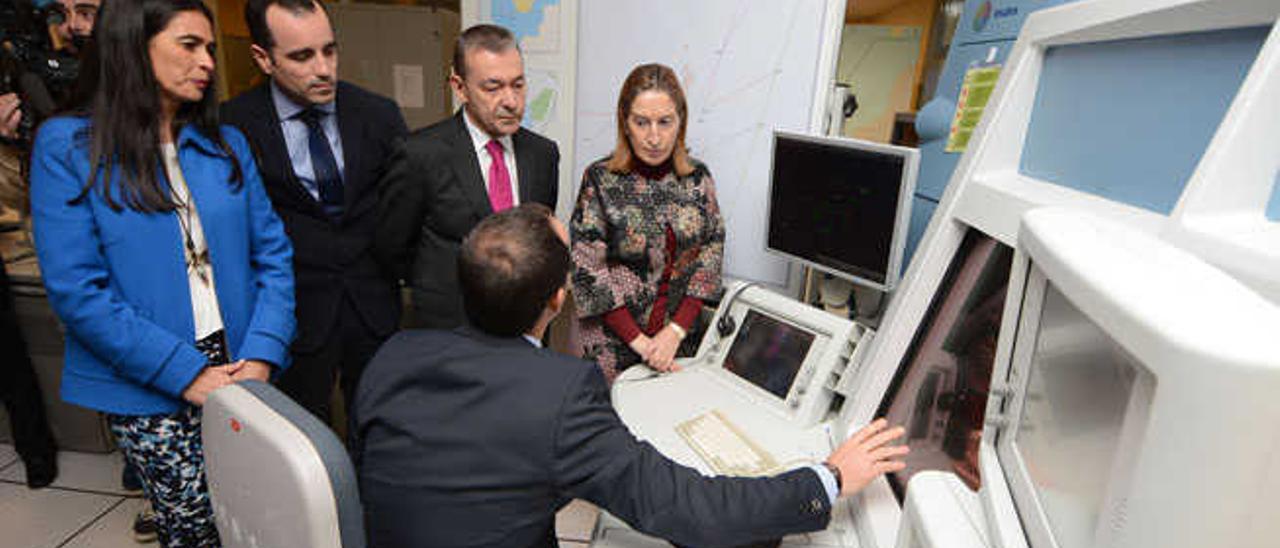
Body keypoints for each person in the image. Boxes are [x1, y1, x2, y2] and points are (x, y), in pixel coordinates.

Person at [354, 204, 909, 548]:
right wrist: (828, 479)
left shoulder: (393, 357)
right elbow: (690, 509)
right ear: (556, 300)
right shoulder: (561, 394)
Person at [28, 0, 295, 544]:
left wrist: (264, 352)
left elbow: (274, 256)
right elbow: (78, 292)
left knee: (260, 519)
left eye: (211, 50)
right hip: (150, 379)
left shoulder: (226, 144)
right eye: (189, 45)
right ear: (133, 45)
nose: (207, 63)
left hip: (242, 366)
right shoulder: (68, 146)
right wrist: (186, 374)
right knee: (198, 528)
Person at [221, 0, 408, 428]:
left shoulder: (378, 115)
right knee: (298, 433)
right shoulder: (233, 126)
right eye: (302, 56)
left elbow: (404, 208)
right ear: (263, 59)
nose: (323, 68)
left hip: (372, 304)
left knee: (379, 426)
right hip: (293, 310)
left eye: (330, 50)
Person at [375, 23, 558, 329]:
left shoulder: (543, 154)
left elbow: (540, 243)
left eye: (518, 84)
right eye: (493, 87)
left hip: (524, 331)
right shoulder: (421, 154)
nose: (511, 101)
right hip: (449, 330)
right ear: (460, 88)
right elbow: (392, 248)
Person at [570, 63, 724, 382]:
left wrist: (675, 332)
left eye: (665, 122)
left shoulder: (698, 179)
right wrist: (643, 344)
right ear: (625, 123)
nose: (654, 137)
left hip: (678, 344)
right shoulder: (600, 179)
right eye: (642, 122)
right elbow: (588, 268)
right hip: (611, 344)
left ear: (680, 122)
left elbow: (711, 252)